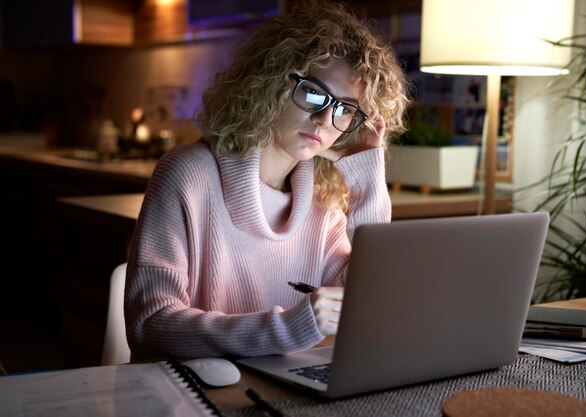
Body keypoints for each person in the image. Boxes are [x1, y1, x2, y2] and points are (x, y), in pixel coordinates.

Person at [124, 0, 409, 360]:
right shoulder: (187, 174)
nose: (325, 119)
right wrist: (290, 327)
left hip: (280, 390)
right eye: (314, 93)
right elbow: (147, 326)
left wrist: (368, 181)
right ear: (270, 82)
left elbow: (370, 307)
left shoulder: (324, 207)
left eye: (344, 109)